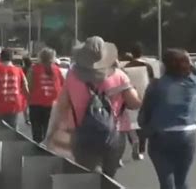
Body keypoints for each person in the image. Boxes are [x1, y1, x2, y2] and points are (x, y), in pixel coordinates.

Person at [46, 36, 142, 178]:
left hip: (82, 134)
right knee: (109, 178)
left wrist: (53, 133)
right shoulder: (119, 75)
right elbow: (135, 103)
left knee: (87, 177)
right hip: (114, 134)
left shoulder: (72, 76)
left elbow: (62, 106)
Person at [138, 48, 196, 189]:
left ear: (164, 65)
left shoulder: (156, 85)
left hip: (161, 134)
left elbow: (146, 111)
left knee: (166, 179)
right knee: (181, 180)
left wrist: (142, 136)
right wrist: (191, 63)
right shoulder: (192, 83)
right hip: (187, 134)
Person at [124, 42, 155, 161]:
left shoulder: (126, 66)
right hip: (145, 97)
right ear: (142, 53)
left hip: (130, 97)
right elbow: (152, 82)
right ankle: (141, 148)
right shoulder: (147, 66)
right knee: (143, 124)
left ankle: (134, 142)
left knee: (130, 124)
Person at [28, 48, 64, 143]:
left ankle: (36, 151)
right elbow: (63, 86)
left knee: (37, 133)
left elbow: (29, 87)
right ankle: (47, 152)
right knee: (49, 132)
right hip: (52, 105)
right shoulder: (57, 70)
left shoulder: (34, 69)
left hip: (36, 104)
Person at [0, 49, 29, 129]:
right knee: (12, 130)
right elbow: (25, 87)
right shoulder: (18, 70)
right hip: (14, 103)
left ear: (1, 57)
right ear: (12, 58)